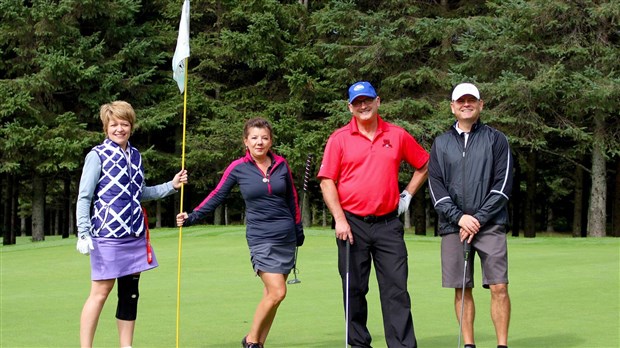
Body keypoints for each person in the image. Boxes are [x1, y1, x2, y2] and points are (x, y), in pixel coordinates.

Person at [318, 81, 429, 348]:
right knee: (354, 290)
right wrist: (340, 219)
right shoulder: (339, 138)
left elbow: (424, 165)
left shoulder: (397, 135)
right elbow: (326, 181)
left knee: (396, 291)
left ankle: (402, 345)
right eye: (357, 103)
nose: (363, 106)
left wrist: (408, 195)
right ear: (350, 108)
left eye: (367, 100)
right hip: (352, 224)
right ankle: (358, 344)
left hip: (388, 224)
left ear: (378, 101)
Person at [176, 117, 304, 348]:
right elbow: (217, 195)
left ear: (271, 141)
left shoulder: (281, 164)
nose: (259, 142)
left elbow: (292, 199)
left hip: (285, 236)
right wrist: (193, 216)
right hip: (261, 237)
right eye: (254, 138)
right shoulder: (238, 168)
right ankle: (251, 340)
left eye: (264, 138)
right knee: (277, 292)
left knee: (271, 298)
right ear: (245, 141)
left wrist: (298, 228)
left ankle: (259, 343)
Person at [75, 100, 188, 348]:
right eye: (114, 124)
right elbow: (85, 196)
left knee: (130, 294)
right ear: (106, 127)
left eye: (124, 124)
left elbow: (141, 192)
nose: (119, 129)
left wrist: (171, 185)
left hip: (135, 234)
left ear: (131, 126)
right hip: (107, 235)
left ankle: (126, 346)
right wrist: (83, 233)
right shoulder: (97, 155)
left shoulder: (135, 155)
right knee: (101, 292)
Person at [428, 83, 513, 348]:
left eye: (471, 100)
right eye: (461, 101)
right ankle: (469, 344)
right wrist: (460, 218)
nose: (466, 104)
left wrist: (477, 218)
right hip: (454, 227)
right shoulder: (441, 144)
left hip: (490, 224)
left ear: (480, 105)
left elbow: (503, 184)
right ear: (452, 107)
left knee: (499, 287)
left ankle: (501, 345)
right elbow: (436, 187)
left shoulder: (496, 139)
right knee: (462, 288)